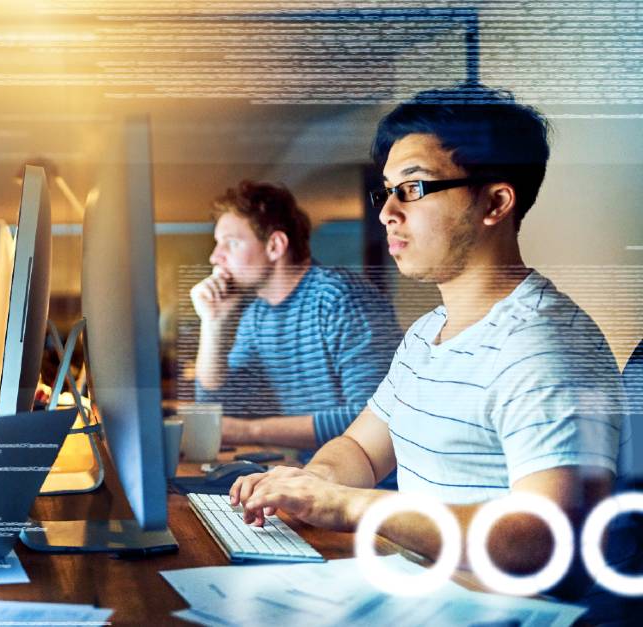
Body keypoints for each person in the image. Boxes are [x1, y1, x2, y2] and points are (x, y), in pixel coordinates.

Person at [230, 85, 625, 592]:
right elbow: (362, 449)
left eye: (412, 188)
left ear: (495, 203)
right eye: (386, 190)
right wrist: (312, 481)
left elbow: (545, 538)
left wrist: (352, 506)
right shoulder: (427, 334)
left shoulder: (544, 347)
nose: (387, 212)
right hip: (417, 587)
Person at [190, 181, 400, 451]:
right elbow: (218, 410)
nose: (214, 257)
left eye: (230, 243)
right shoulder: (257, 316)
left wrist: (249, 431)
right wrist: (213, 324)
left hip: (375, 486)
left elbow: (373, 418)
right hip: (315, 477)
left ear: (275, 246)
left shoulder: (340, 298)